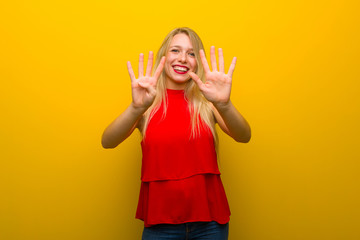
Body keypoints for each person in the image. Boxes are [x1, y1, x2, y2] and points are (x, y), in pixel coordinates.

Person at [102, 27, 251, 240]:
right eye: (175, 50)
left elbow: (244, 136)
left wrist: (224, 104)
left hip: (210, 224)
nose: (183, 58)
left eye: (191, 53)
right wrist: (136, 108)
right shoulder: (146, 104)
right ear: (164, 56)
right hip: (160, 226)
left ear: (198, 62)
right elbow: (108, 141)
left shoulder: (208, 102)